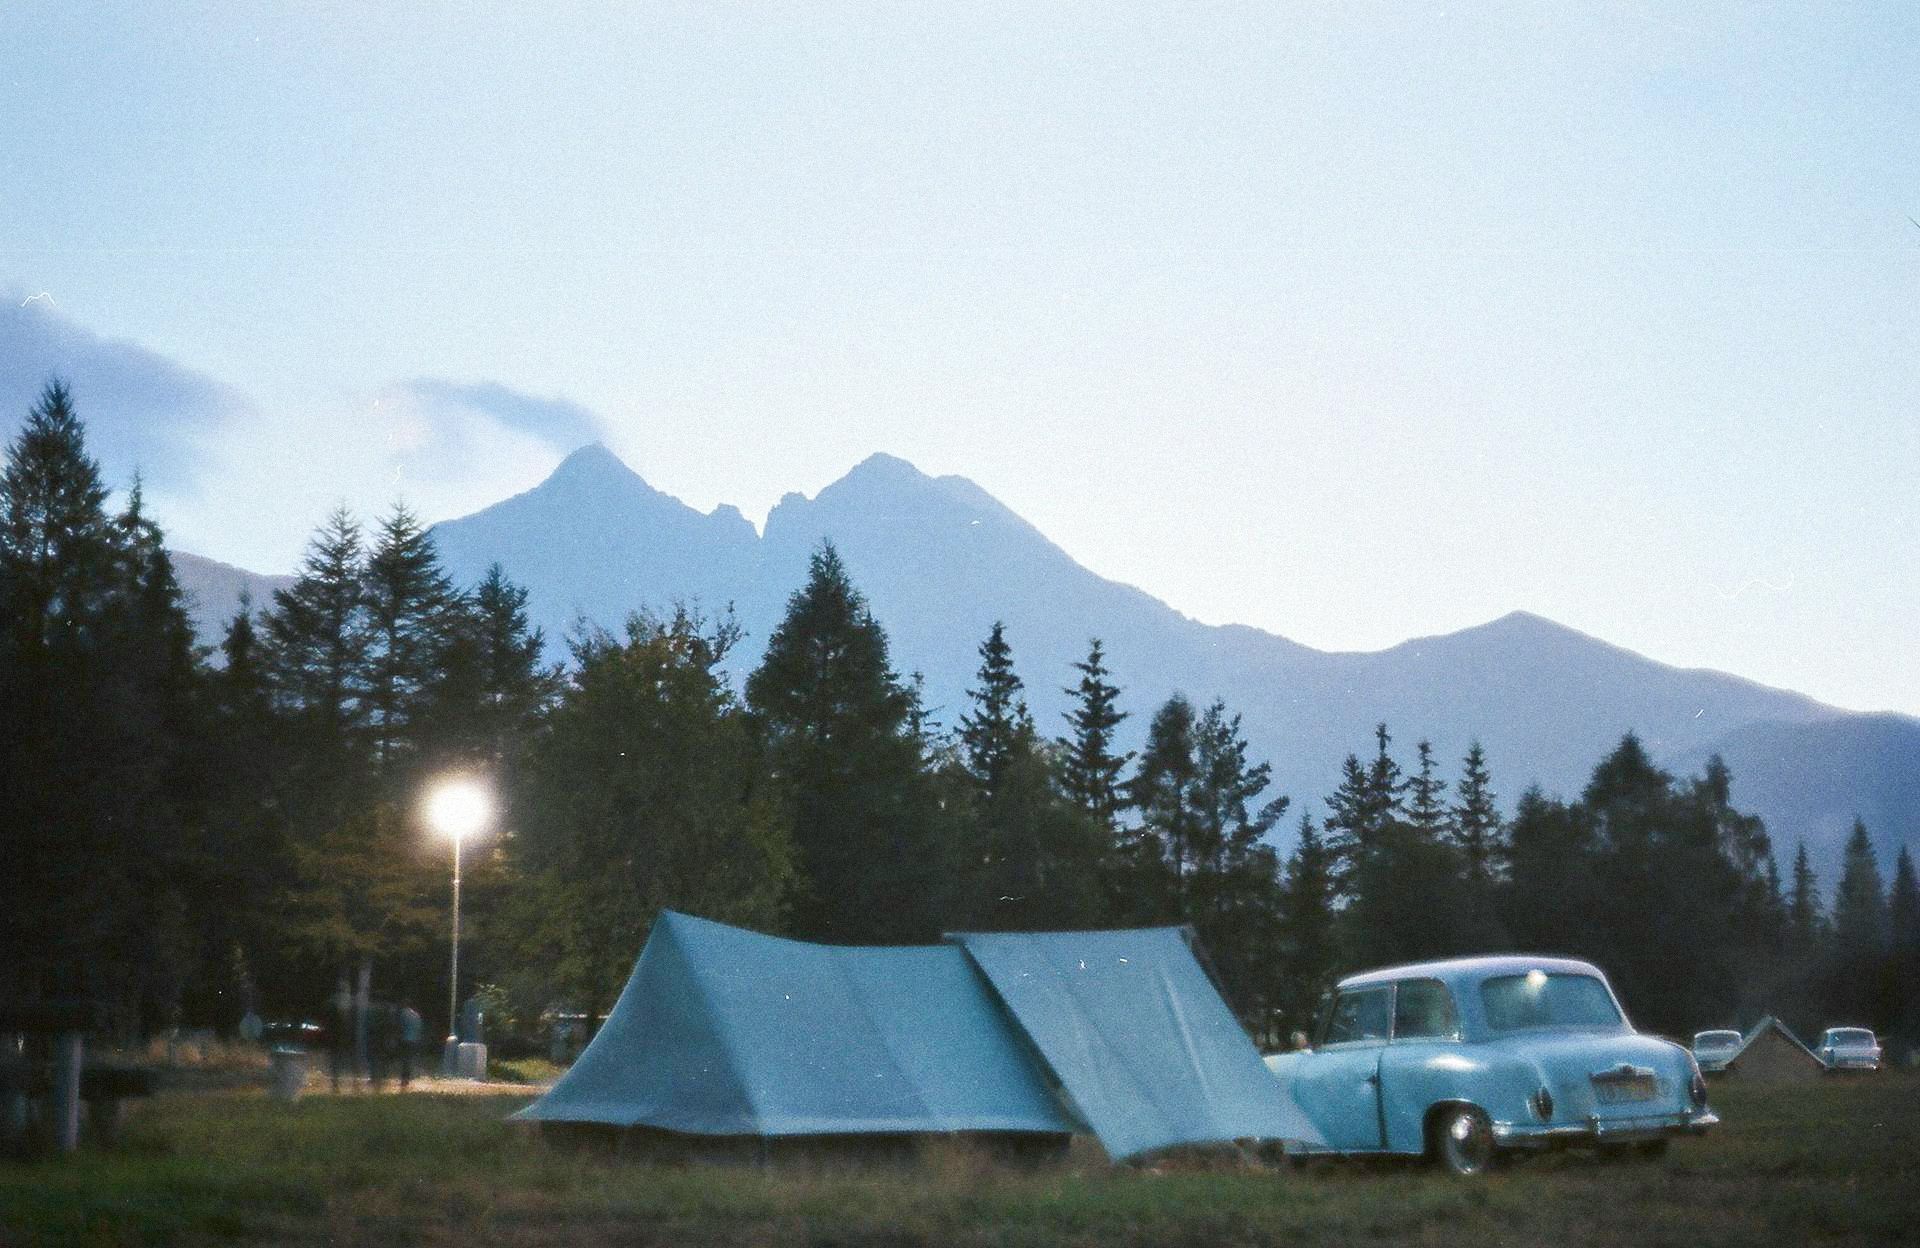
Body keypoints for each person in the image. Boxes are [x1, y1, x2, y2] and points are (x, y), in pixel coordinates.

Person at [327, 977, 354, 1093]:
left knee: (335, 1059)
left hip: (334, 1034)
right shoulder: (349, 1002)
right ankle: (339, 1082)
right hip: (344, 1034)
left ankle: (335, 1082)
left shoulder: (332, 1001)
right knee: (341, 1058)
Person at [397, 1002, 423, 1089]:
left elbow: (400, 1026)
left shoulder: (403, 1014)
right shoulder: (416, 1015)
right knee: (409, 1059)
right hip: (414, 1040)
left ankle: (404, 1079)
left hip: (405, 1040)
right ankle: (407, 1078)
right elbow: (419, 1028)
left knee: (405, 1060)